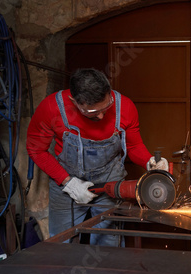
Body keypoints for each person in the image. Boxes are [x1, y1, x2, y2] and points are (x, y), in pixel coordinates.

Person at [26, 68, 168, 246]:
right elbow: (36, 149)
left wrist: (149, 162)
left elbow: (133, 145)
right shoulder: (51, 108)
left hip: (110, 181)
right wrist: (67, 182)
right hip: (67, 183)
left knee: (108, 244)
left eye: (106, 108)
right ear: (74, 101)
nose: (101, 116)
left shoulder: (125, 106)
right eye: (92, 112)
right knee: (61, 243)